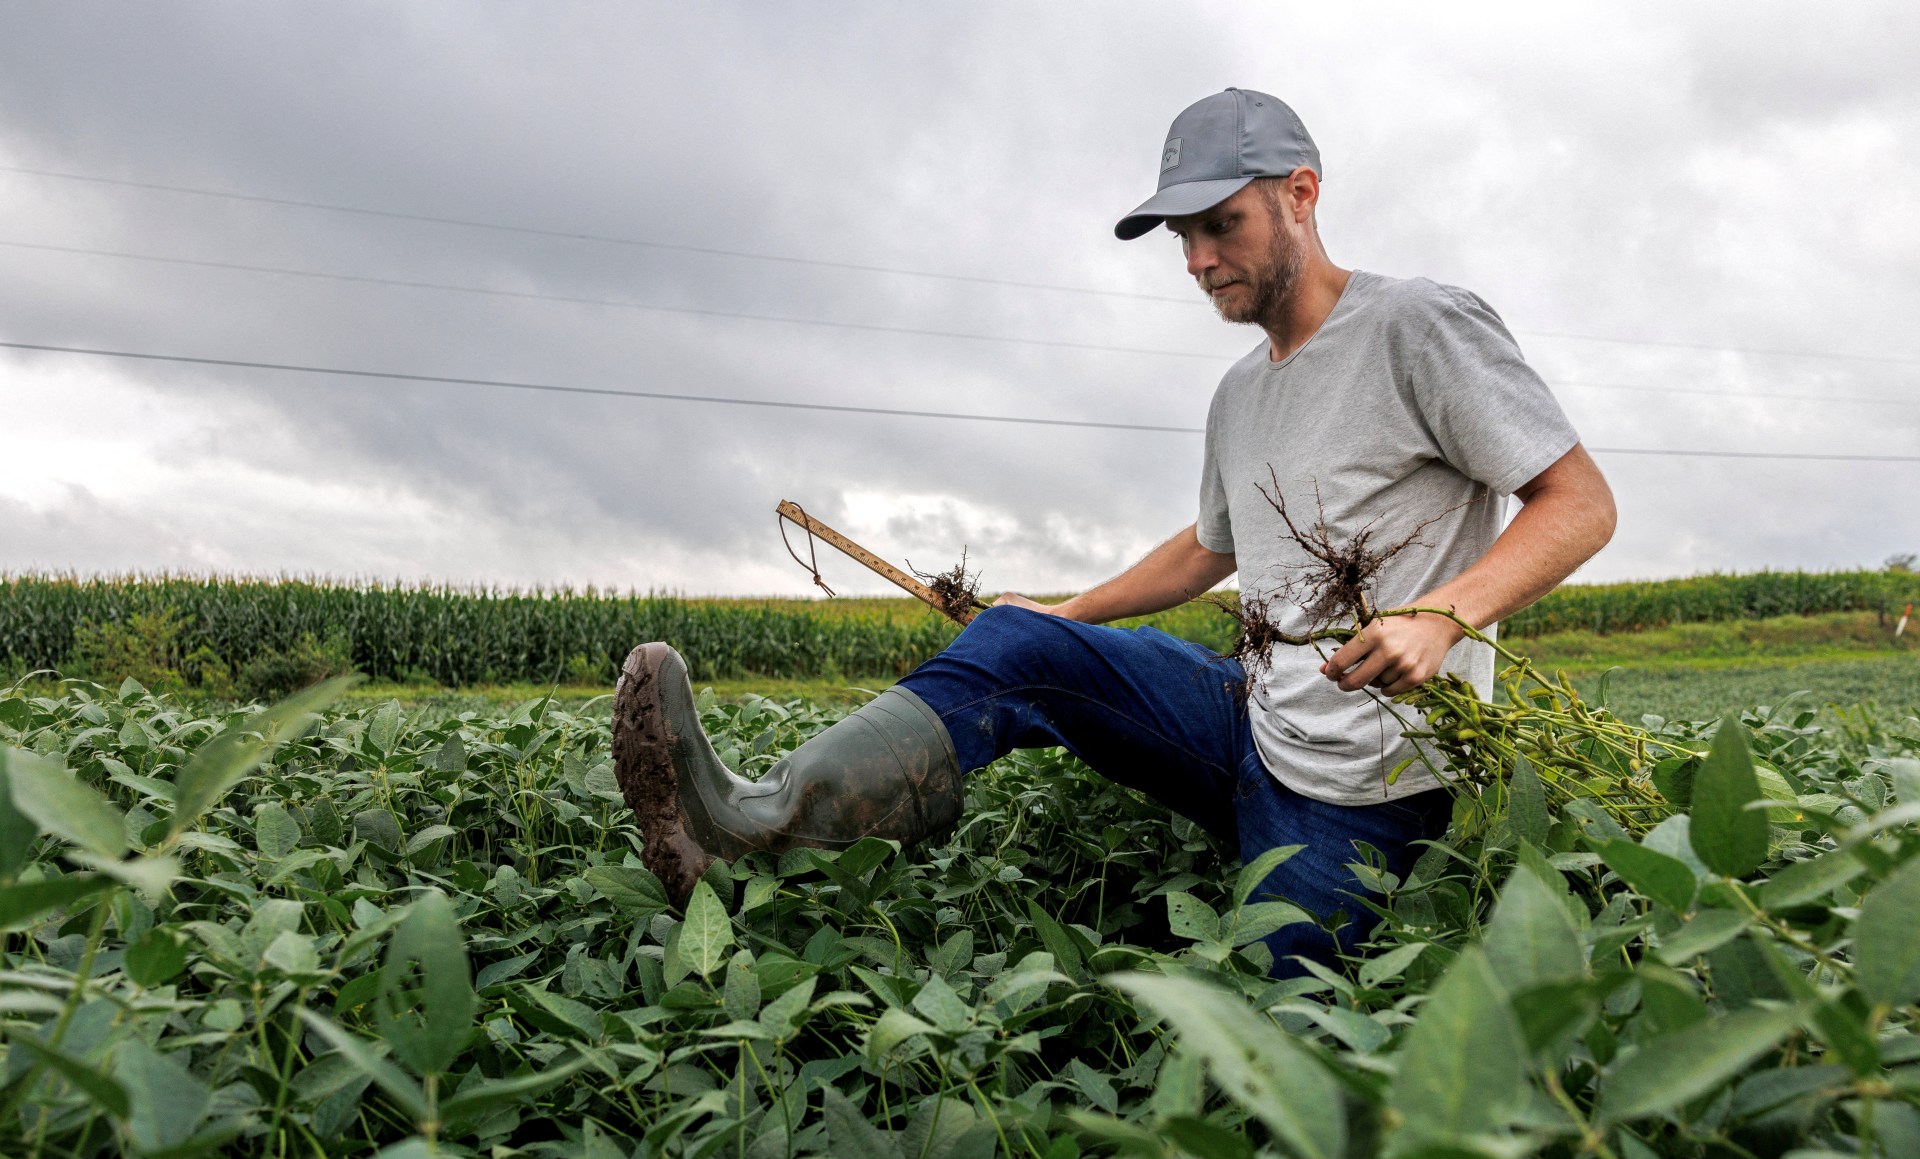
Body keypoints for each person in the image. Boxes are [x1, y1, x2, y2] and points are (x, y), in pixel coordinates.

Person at [612, 87, 1617, 976]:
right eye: (1183, 236)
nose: (1199, 260)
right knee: (1016, 644)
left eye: (1221, 225)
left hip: (1366, 787)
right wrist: (1067, 615)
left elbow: (1578, 503)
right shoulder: (1241, 393)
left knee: (1284, 1013)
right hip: (1250, 720)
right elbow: (1210, 547)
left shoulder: (1418, 327)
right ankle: (754, 829)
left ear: (1302, 195)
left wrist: (1443, 615)